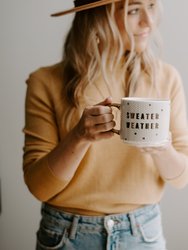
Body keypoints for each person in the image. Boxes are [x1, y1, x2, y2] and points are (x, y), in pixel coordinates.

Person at [22, 0, 188, 249]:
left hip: (142, 235)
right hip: (65, 235)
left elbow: (181, 177)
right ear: (96, 18)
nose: (149, 22)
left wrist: (161, 148)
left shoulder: (166, 78)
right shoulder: (45, 82)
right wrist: (79, 137)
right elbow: (39, 188)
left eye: (152, 6)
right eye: (133, 10)